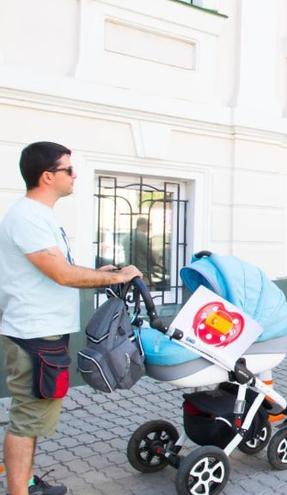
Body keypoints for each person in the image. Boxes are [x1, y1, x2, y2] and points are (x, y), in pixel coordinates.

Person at [0, 142, 142, 495]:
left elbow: (59, 269)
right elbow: (60, 274)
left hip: (44, 332)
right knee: (27, 419)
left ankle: (29, 482)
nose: (74, 174)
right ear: (47, 176)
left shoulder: (41, 216)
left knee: (35, 416)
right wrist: (116, 278)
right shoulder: (27, 217)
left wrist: (99, 271)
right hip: (34, 335)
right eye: (68, 169)